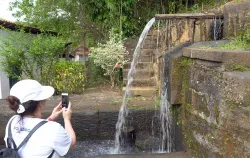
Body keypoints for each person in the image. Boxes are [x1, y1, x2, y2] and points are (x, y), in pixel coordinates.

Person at [4, 79, 76, 158]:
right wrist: (67, 119)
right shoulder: (53, 128)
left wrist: (51, 118)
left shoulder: (12, 121)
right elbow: (71, 144)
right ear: (40, 103)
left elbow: (33, 130)